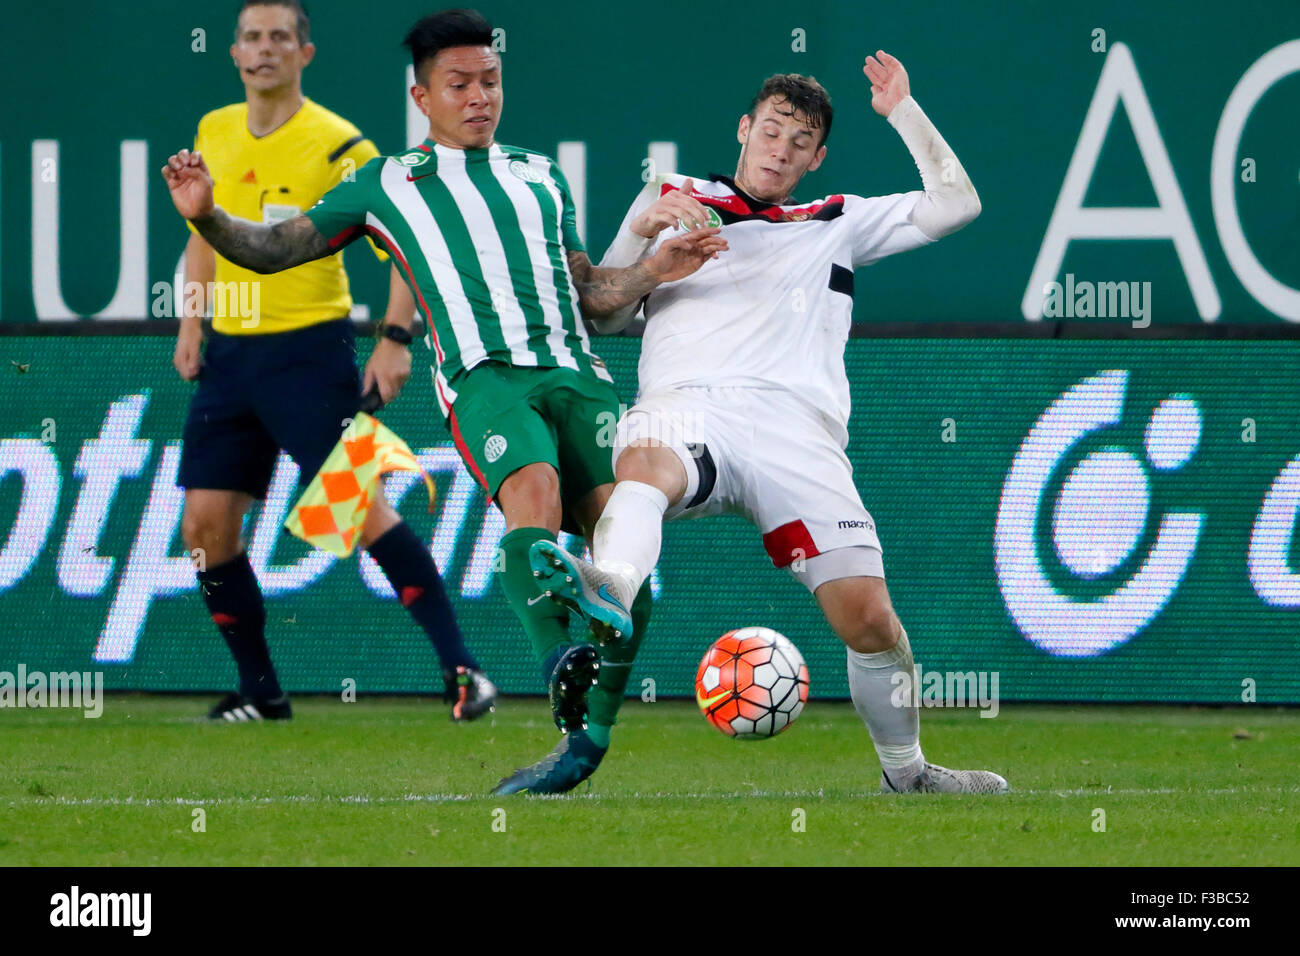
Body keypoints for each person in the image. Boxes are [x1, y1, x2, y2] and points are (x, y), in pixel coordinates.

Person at [161, 9, 725, 783]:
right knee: (534, 492)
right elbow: (277, 248)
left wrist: (655, 271)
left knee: (624, 547)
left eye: (489, 81)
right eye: (459, 84)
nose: (479, 97)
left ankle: (585, 743)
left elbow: (591, 291)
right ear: (422, 96)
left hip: (577, 374)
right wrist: (211, 219)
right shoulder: (384, 183)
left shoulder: (541, 176)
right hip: (484, 378)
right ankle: (558, 659)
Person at [531, 57, 1009, 793]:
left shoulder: (836, 222)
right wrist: (642, 240)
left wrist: (904, 112)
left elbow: (957, 205)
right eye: (772, 132)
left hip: (798, 431)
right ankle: (611, 591)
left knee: (871, 621)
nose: (781, 151)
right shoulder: (671, 198)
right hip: (689, 402)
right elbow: (604, 311)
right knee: (648, 467)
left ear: (817, 159)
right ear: (744, 130)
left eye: (800, 141)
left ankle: (906, 774)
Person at [173, 0, 495, 723]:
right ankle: (263, 693)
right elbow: (205, 231)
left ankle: (463, 670)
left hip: (307, 353)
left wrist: (393, 338)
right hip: (228, 359)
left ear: (304, 53)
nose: (264, 50)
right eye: (251, 38)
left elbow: (400, 242)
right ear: (233, 53)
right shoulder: (214, 130)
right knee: (204, 528)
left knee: (358, 510)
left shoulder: (339, 144)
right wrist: (191, 322)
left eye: (279, 37)